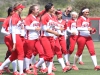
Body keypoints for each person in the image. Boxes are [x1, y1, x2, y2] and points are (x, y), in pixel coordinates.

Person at [0, 3, 26, 75]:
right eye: (21, 8)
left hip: (18, 36)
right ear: (17, 8)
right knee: (21, 53)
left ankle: (1, 68)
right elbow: (14, 31)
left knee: (14, 55)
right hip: (15, 36)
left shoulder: (17, 16)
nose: (22, 9)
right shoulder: (14, 17)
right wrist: (14, 43)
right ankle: (20, 72)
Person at [23, 4, 46, 74]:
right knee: (29, 54)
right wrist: (35, 28)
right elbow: (26, 27)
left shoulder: (36, 18)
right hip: (30, 38)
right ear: (33, 11)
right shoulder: (29, 17)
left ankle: (36, 66)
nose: (38, 10)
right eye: (37, 9)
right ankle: (26, 69)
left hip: (36, 38)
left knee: (42, 53)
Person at [40, 3, 62, 75]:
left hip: (51, 37)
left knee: (51, 55)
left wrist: (58, 29)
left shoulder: (51, 16)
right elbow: (44, 28)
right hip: (45, 37)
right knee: (48, 55)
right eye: (53, 7)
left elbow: (53, 26)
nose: (54, 8)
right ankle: (36, 65)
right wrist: (55, 33)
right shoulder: (45, 16)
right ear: (49, 9)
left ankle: (49, 72)